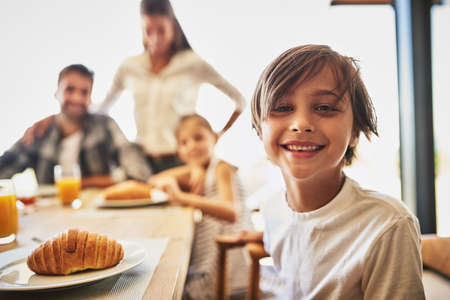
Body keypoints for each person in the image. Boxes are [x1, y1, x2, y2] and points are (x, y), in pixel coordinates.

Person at [241, 44, 425, 299]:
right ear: (260, 128)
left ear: (355, 132)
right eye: (282, 107)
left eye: (324, 108)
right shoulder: (273, 209)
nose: (301, 124)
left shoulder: (388, 226)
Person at [97, 0, 246, 173]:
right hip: (142, 164)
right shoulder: (129, 67)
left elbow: (239, 101)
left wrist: (216, 135)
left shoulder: (192, 63)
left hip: (182, 163)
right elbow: (101, 110)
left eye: (161, 30)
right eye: (148, 30)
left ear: (173, 26)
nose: (155, 38)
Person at [148, 114, 249, 300]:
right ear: (179, 151)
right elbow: (153, 181)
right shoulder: (201, 169)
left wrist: (182, 197)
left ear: (215, 138)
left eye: (199, 138)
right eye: (184, 142)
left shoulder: (221, 167)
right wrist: (194, 168)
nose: (192, 146)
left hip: (229, 257)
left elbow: (231, 212)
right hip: (214, 253)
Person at [0, 64, 151, 187]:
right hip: (49, 215)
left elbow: (138, 172)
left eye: (84, 92)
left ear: (90, 98)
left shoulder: (105, 126)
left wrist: (82, 183)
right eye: (69, 89)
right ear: (57, 93)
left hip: (97, 212)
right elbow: (5, 166)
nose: (77, 98)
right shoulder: (40, 132)